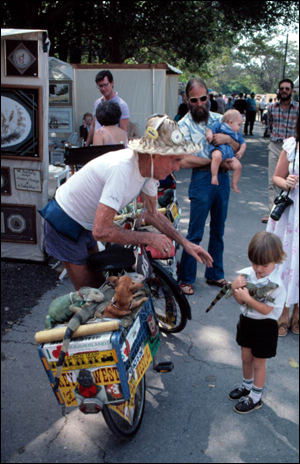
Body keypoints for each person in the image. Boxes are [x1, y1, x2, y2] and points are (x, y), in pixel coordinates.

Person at [43, 114, 213, 290]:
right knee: (89, 295)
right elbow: (102, 231)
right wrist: (149, 238)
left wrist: (185, 243)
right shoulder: (122, 169)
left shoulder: (148, 171)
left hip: (86, 223)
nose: (177, 167)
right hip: (64, 221)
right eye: (174, 160)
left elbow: (151, 214)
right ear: (155, 155)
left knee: (100, 286)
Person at [177, 78, 240, 295]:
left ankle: (215, 274)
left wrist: (229, 141)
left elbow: (238, 144)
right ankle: (185, 278)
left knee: (218, 230)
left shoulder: (220, 119)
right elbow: (183, 161)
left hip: (222, 180)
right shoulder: (183, 125)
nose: (199, 103)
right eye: (194, 100)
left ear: (208, 97)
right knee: (195, 232)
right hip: (201, 180)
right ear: (187, 99)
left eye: (203, 98)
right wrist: (211, 162)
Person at [230, 231, 287, 414]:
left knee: (258, 363)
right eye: (255, 263)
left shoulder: (277, 285)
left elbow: (265, 310)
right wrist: (234, 288)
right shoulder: (247, 274)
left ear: (276, 261)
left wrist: (246, 297)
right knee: (245, 357)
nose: (258, 268)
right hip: (247, 322)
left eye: (264, 264)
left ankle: (256, 397)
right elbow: (239, 301)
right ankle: (246, 386)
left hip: (265, 327)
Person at [266, 114, 299, 337]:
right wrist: (286, 181)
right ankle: (284, 312)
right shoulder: (292, 145)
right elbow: (276, 178)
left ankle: (298, 312)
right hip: (292, 213)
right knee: (287, 261)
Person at [262, 79, 299, 223]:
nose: (284, 91)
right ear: (279, 90)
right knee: (274, 179)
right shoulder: (272, 107)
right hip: (276, 145)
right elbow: (269, 123)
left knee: (292, 181)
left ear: (291, 91)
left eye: (287, 89)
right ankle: (273, 212)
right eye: (282, 88)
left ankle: (291, 212)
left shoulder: (297, 108)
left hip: (293, 149)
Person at [85, 70, 130, 146]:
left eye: (105, 85)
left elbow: (123, 132)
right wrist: (86, 145)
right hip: (97, 144)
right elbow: (93, 126)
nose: (103, 89)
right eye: (100, 86)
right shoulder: (97, 103)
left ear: (112, 83)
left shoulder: (122, 105)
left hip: (113, 147)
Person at [206, 109, 246, 193]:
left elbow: (243, 143)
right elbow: (210, 130)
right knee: (216, 157)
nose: (239, 127)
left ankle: (234, 184)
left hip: (230, 155)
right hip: (219, 149)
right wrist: (209, 135)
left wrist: (241, 151)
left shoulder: (236, 134)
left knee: (238, 166)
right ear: (230, 122)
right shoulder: (220, 126)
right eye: (239, 125)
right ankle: (214, 176)